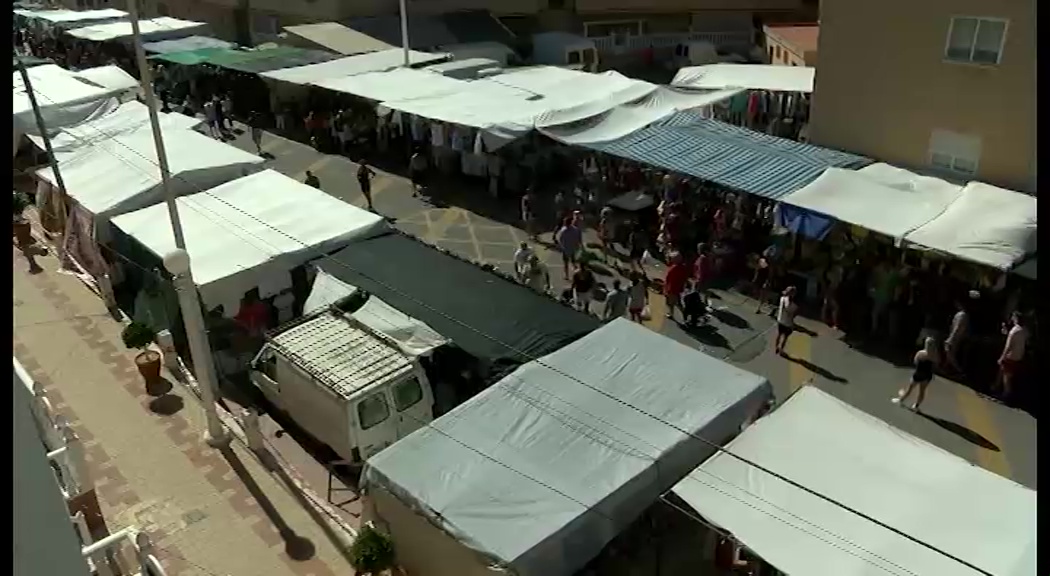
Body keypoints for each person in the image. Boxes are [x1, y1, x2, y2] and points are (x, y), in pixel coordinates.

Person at [893, 337, 938, 412]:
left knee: (910, 388)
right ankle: (916, 405)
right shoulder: (935, 355)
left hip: (918, 373)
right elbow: (936, 365)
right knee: (922, 391)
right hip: (927, 375)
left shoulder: (921, 353)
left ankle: (901, 400)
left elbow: (915, 362)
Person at [994, 312, 1028, 399]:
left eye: (1013, 317)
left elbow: (1008, 346)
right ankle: (996, 386)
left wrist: (1002, 357)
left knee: (1006, 377)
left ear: (1015, 318)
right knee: (1003, 372)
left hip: (1010, 356)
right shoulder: (1024, 330)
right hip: (1019, 356)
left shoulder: (1014, 331)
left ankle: (1006, 394)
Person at [943, 297, 971, 374]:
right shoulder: (965, 315)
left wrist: (951, 337)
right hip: (958, 336)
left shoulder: (961, 315)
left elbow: (957, 327)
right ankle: (946, 367)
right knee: (951, 352)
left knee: (949, 351)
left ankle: (958, 369)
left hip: (955, 336)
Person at [662, 253, 689, 321]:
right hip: (678, 288)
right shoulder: (682, 267)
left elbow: (670, 279)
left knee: (672, 303)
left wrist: (667, 289)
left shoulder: (674, 268)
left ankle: (673, 314)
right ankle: (683, 314)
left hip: (672, 289)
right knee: (677, 302)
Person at [774, 286, 798, 356]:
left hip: (780, 319)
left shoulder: (782, 299)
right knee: (785, 337)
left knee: (779, 334)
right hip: (787, 323)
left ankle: (776, 347)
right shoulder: (794, 305)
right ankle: (781, 350)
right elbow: (793, 315)